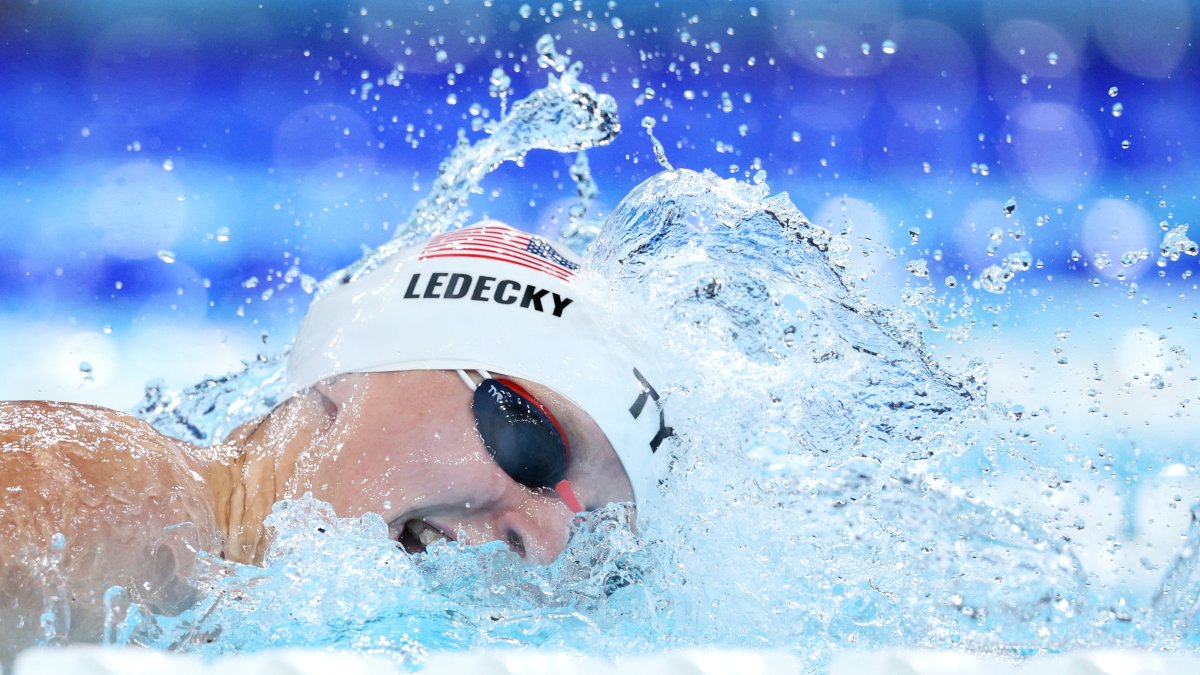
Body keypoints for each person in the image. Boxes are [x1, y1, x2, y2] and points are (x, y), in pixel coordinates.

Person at [0, 221, 672, 657]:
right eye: (532, 442)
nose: (547, 544)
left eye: (594, 531)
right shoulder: (101, 501)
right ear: (354, 366)